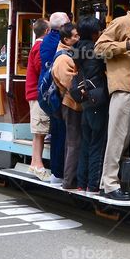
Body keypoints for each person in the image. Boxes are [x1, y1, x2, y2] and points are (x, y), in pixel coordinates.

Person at [94, 0, 130, 204]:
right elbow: (98, 49)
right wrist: (125, 45)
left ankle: (108, 181)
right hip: (123, 87)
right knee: (117, 138)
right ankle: (109, 183)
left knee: (125, 139)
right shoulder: (123, 22)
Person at [73, 16, 108, 193]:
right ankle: (92, 185)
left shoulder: (77, 49)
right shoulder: (95, 50)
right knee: (96, 144)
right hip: (97, 99)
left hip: (85, 100)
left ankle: (81, 183)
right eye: (99, 31)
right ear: (94, 34)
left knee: (85, 143)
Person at [39, 12, 70, 183]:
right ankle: (58, 172)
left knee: (58, 131)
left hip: (49, 94)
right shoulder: (59, 42)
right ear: (63, 26)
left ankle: (56, 172)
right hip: (57, 94)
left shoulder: (46, 40)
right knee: (61, 133)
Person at [52, 22, 81, 189]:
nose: (78, 38)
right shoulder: (63, 58)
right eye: (75, 36)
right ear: (66, 39)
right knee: (73, 142)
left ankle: (69, 178)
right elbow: (70, 83)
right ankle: (69, 180)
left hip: (70, 103)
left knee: (72, 141)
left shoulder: (68, 53)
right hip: (70, 104)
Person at [25, 18, 50, 180]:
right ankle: (38, 165)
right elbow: (41, 67)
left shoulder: (36, 45)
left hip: (34, 93)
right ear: (47, 31)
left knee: (38, 133)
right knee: (40, 131)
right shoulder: (40, 46)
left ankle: (34, 164)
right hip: (37, 94)